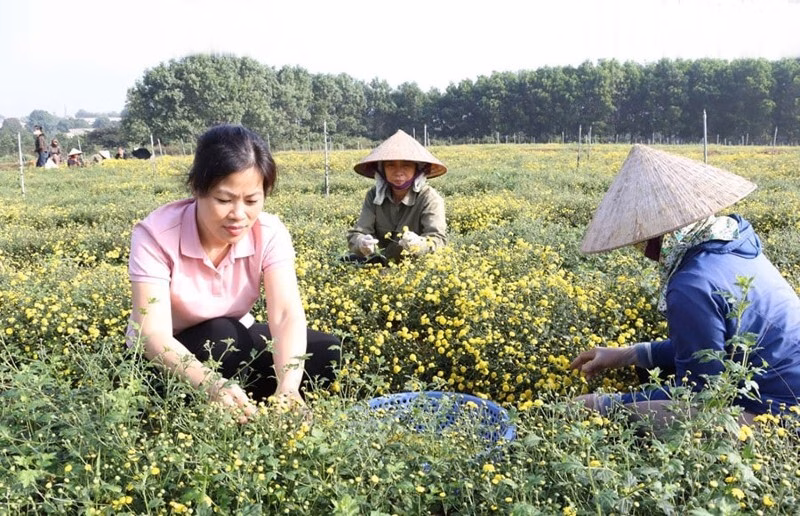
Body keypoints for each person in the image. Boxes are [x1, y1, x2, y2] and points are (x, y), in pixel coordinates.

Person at [570, 144, 800, 426]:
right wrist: (626, 355)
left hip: (784, 418)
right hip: (783, 389)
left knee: (620, 417)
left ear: (659, 236)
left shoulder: (691, 285)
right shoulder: (733, 242)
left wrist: (605, 404)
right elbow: (711, 348)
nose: (640, 248)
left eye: (640, 239)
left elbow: (699, 396)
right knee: (649, 374)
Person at [127, 124, 340, 423]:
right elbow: (153, 335)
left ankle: (258, 406)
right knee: (223, 335)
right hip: (166, 356)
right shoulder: (156, 235)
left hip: (232, 344)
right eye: (224, 200)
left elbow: (285, 314)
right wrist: (212, 385)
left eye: (252, 201)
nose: (239, 215)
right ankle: (218, 404)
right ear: (196, 188)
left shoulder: (269, 232)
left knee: (326, 350)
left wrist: (289, 387)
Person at [345, 129, 447, 264]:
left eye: (406, 165)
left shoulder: (429, 198)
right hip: (377, 265)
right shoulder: (374, 195)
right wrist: (362, 243)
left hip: (414, 267)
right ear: (382, 170)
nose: (398, 172)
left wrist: (419, 244)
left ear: (417, 169)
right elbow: (357, 233)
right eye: (391, 165)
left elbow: (438, 240)